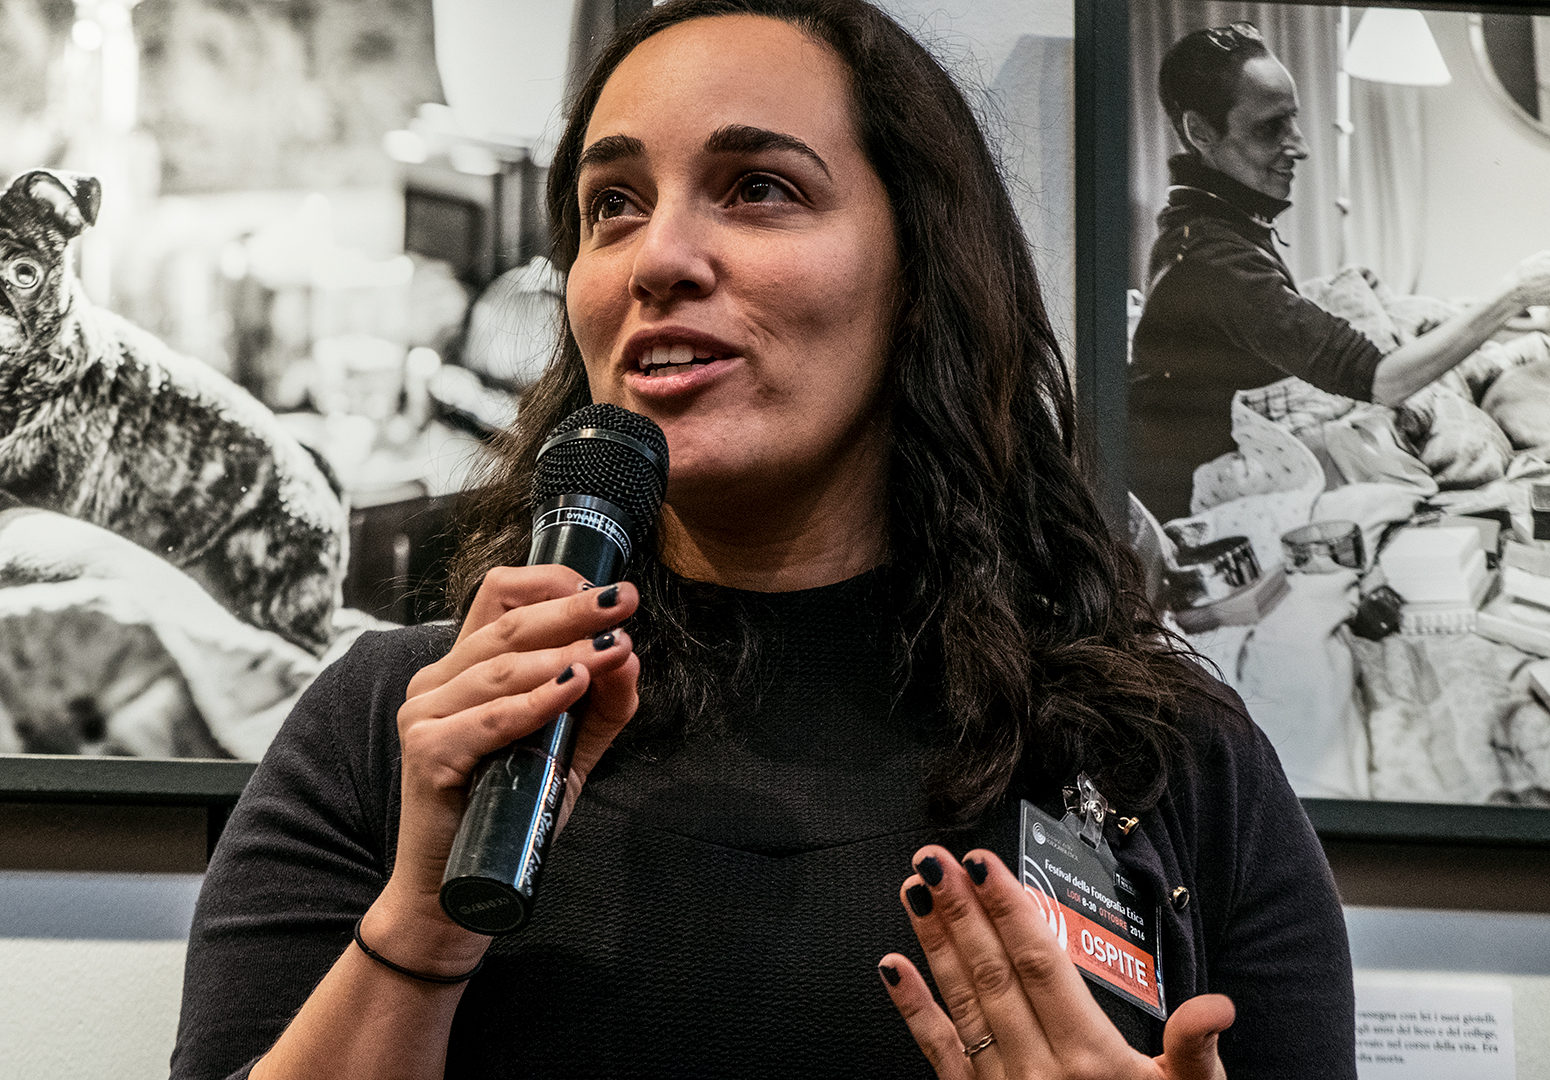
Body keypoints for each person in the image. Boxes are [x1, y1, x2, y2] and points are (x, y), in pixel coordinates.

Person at [170, 2, 1355, 1077]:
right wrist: (422, 923)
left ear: (923, 269)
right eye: (611, 206)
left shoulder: (1174, 762)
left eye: (758, 188)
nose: (659, 258)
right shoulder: (397, 731)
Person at [1130, 22, 1550, 522]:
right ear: (1201, 133)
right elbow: (1382, 381)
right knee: (1434, 404)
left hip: (1253, 420)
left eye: (1295, 119)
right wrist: (1515, 293)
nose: (1301, 146)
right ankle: (1521, 351)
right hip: (1210, 482)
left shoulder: (1210, 223)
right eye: (1271, 127)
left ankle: (1517, 352)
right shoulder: (1211, 262)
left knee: (1430, 330)